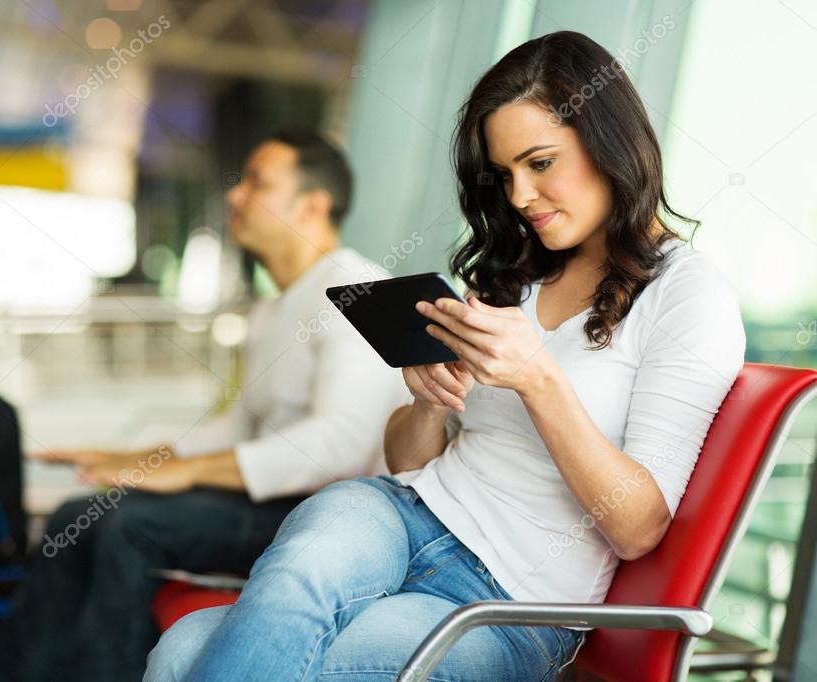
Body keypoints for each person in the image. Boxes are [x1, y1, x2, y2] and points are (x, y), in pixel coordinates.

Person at [144, 31, 747, 682]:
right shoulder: (513, 276)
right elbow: (409, 459)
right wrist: (427, 401)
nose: (518, 197)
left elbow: (635, 528)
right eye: (505, 174)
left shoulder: (687, 296)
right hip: (402, 512)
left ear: (609, 142)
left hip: (507, 601)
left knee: (185, 653)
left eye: (539, 163)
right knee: (266, 586)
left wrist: (538, 380)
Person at [0, 131, 410, 681]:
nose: (236, 195)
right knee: (74, 515)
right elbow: (239, 426)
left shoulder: (355, 286)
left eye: (258, 184)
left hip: (318, 517)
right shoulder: (272, 306)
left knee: (124, 526)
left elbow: (340, 447)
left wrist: (184, 474)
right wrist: (136, 458)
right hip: (265, 500)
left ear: (313, 205)